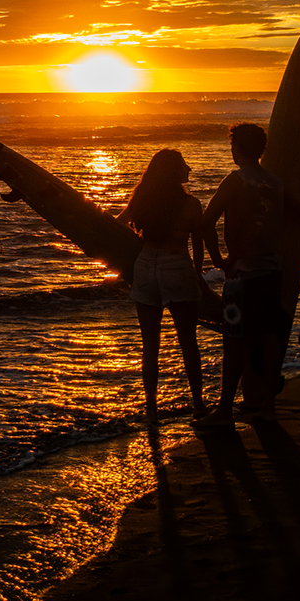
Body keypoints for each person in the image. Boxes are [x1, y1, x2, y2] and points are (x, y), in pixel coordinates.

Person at [201, 122, 288, 421]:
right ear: (261, 149)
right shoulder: (275, 182)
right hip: (271, 270)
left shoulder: (235, 181)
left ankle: (225, 409)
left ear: (236, 148)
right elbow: (295, 210)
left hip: (240, 275)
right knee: (268, 336)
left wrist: (219, 260)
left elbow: (206, 222)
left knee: (234, 339)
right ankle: (268, 408)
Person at [116, 148, 208, 419]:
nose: (188, 169)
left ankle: (152, 410)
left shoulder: (142, 198)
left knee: (150, 345)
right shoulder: (191, 204)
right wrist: (199, 275)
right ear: (172, 171)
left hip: (145, 265)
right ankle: (199, 406)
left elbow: (119, 225)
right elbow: (198, 243)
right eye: (183, 165)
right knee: (188, 341)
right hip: (176, 265)